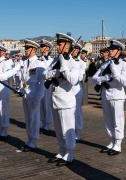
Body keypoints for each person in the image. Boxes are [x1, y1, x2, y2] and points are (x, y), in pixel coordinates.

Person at [0, 39, 45, 152]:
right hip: (25, 94)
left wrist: (38, 97)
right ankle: (29, 140)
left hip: (34, 94)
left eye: (27, 49)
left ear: (34, 50)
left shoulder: (39, 63)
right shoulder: (23, 62)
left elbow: (42, 84)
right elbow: (12, 71)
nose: (25, 50)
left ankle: (33, 141)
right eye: (25, 48)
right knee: (28, 118)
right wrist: (0, 77)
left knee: (34, 119)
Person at [45, 33, 79, 166]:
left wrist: (63, 67)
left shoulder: (72, 62)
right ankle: (61, 150)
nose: (57, 46)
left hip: (66, 101)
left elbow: (74, 80)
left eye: (59, 44)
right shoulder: (55, 60)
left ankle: (69, 153)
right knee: (58, 129)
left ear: (67, 46)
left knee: (67, 129)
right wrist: (55, 73)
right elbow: (46, 73)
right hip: (55, 98)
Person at [92, 40, 126, 156]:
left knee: (118, 121)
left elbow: (124, 82)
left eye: (112, 49)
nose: (110, 51)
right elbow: (94, 78)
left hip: (117, 96)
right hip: (105, 94)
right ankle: (112, 141)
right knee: (108, 120)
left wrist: (114, 73)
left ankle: (118, 144)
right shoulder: (105, 63)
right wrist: (105, 78)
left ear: (118, 51)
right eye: (110, 49)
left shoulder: (124, 64)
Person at [70, 44, 86, 141]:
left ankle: (78, 131)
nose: (75, 51)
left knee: (77, 111)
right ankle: (70, 131)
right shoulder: (67, 60)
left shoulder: (81, 62)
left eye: (77, 50)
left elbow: (80, 77)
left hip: (76, 88)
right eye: (74, 49)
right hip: (67, 89)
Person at [38, 39, 54, 131]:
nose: (41, 48)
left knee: (47, 104)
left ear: (47, 48)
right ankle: (43, 122)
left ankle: (47, 123)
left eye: (43, 47)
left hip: (48, 84)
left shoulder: (52, 60)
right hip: (40, 84)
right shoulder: (38, 59)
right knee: (41, 104)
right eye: (41, 46)